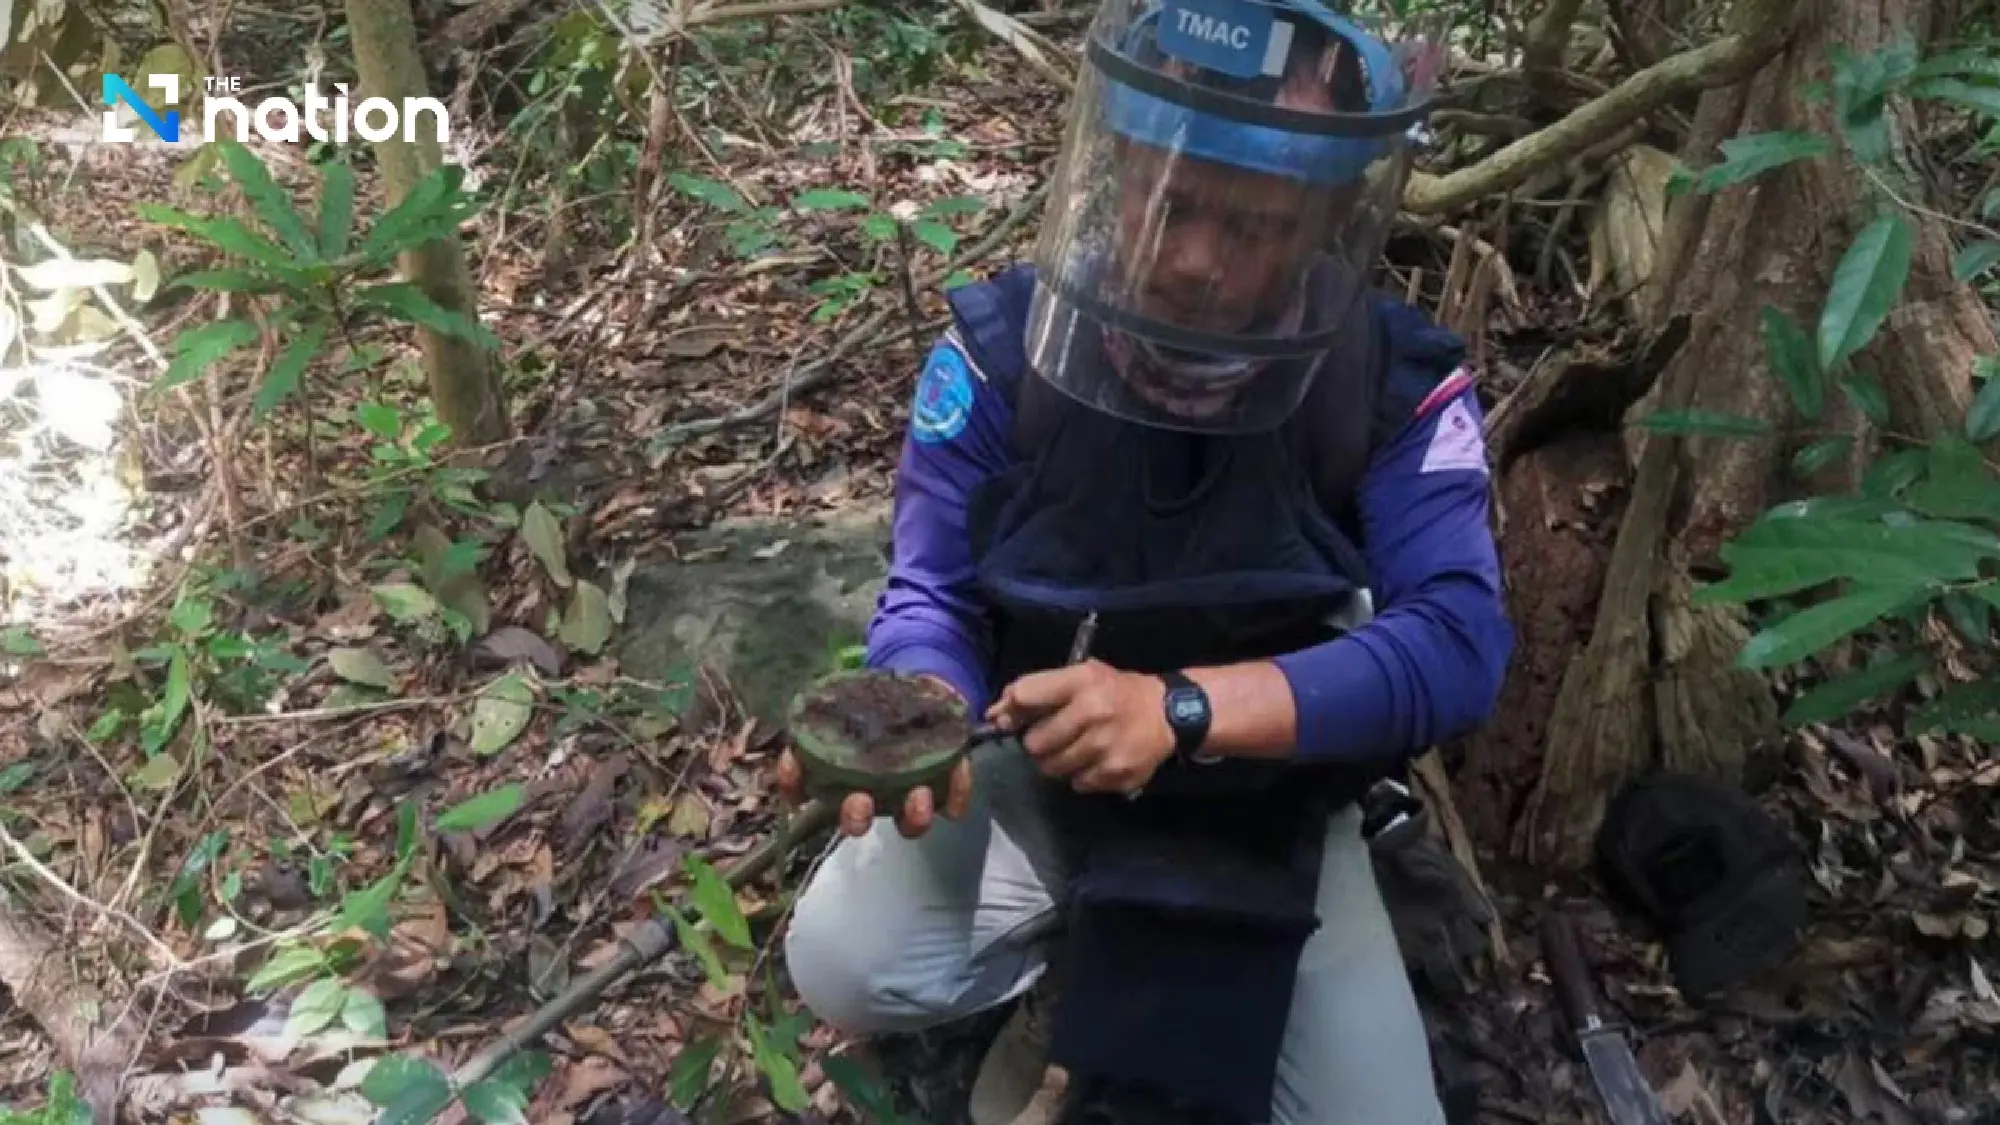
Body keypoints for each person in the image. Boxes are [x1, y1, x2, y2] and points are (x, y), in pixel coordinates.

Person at [775, 1, 1513, 1122]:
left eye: (1250, 225)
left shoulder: (1390, 387)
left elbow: (1459, 645)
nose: (1187, 259)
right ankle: (1065, 965)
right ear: (1114, 167)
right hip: (1043, 775)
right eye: (1165, 201)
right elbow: (931, 591)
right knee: (842, 961)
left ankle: (1166, 966)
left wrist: (1179, 709)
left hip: (1272, 802)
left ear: (1322, 221)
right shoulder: (999, 352)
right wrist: (921, 703)